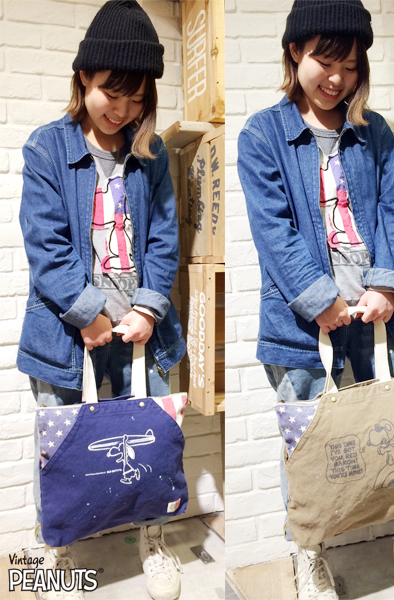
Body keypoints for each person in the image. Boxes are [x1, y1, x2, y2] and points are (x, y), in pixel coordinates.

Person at [237, 1, 394, 599]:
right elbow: (272, 230)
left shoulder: (374, 131)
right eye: (325, 61)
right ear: (294, 51)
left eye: (351, 67)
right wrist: (319, 298)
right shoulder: (262, 134)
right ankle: (308, 554)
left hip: (382, 315)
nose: (337, 79)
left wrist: (385, 285)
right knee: (307, 442)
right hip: (303, 325)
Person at [18, 1, 185, 599]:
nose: (122, 109)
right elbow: (45, 244)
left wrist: (147, 308)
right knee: (61, 444)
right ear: (84, 76)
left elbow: (164, 237)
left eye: (136, 98)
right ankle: (58, 545)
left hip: (141, 331)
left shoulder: (150, 153)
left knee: (149, 443)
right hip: (66, 335)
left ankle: (152, 538)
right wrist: (88, 313)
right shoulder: (46, 147)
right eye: (112, 92)